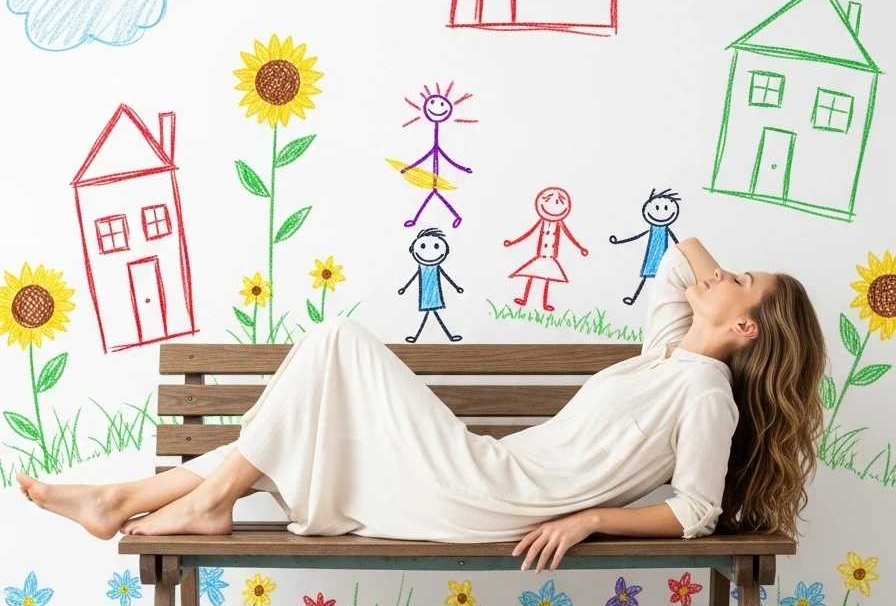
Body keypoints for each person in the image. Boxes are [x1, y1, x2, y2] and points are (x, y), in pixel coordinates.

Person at [17, 236, 826, 574]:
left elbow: (695, 512)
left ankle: (186, 498)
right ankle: (133, 498)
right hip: (489, 473)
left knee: (335, 343)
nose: (723, 273)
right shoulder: (667, 353)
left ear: (747, 326)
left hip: (503, 490)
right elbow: (684, 264)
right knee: (308, 421)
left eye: (742, 281)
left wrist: (592, 519)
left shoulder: (706, 390)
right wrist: (730, 289)